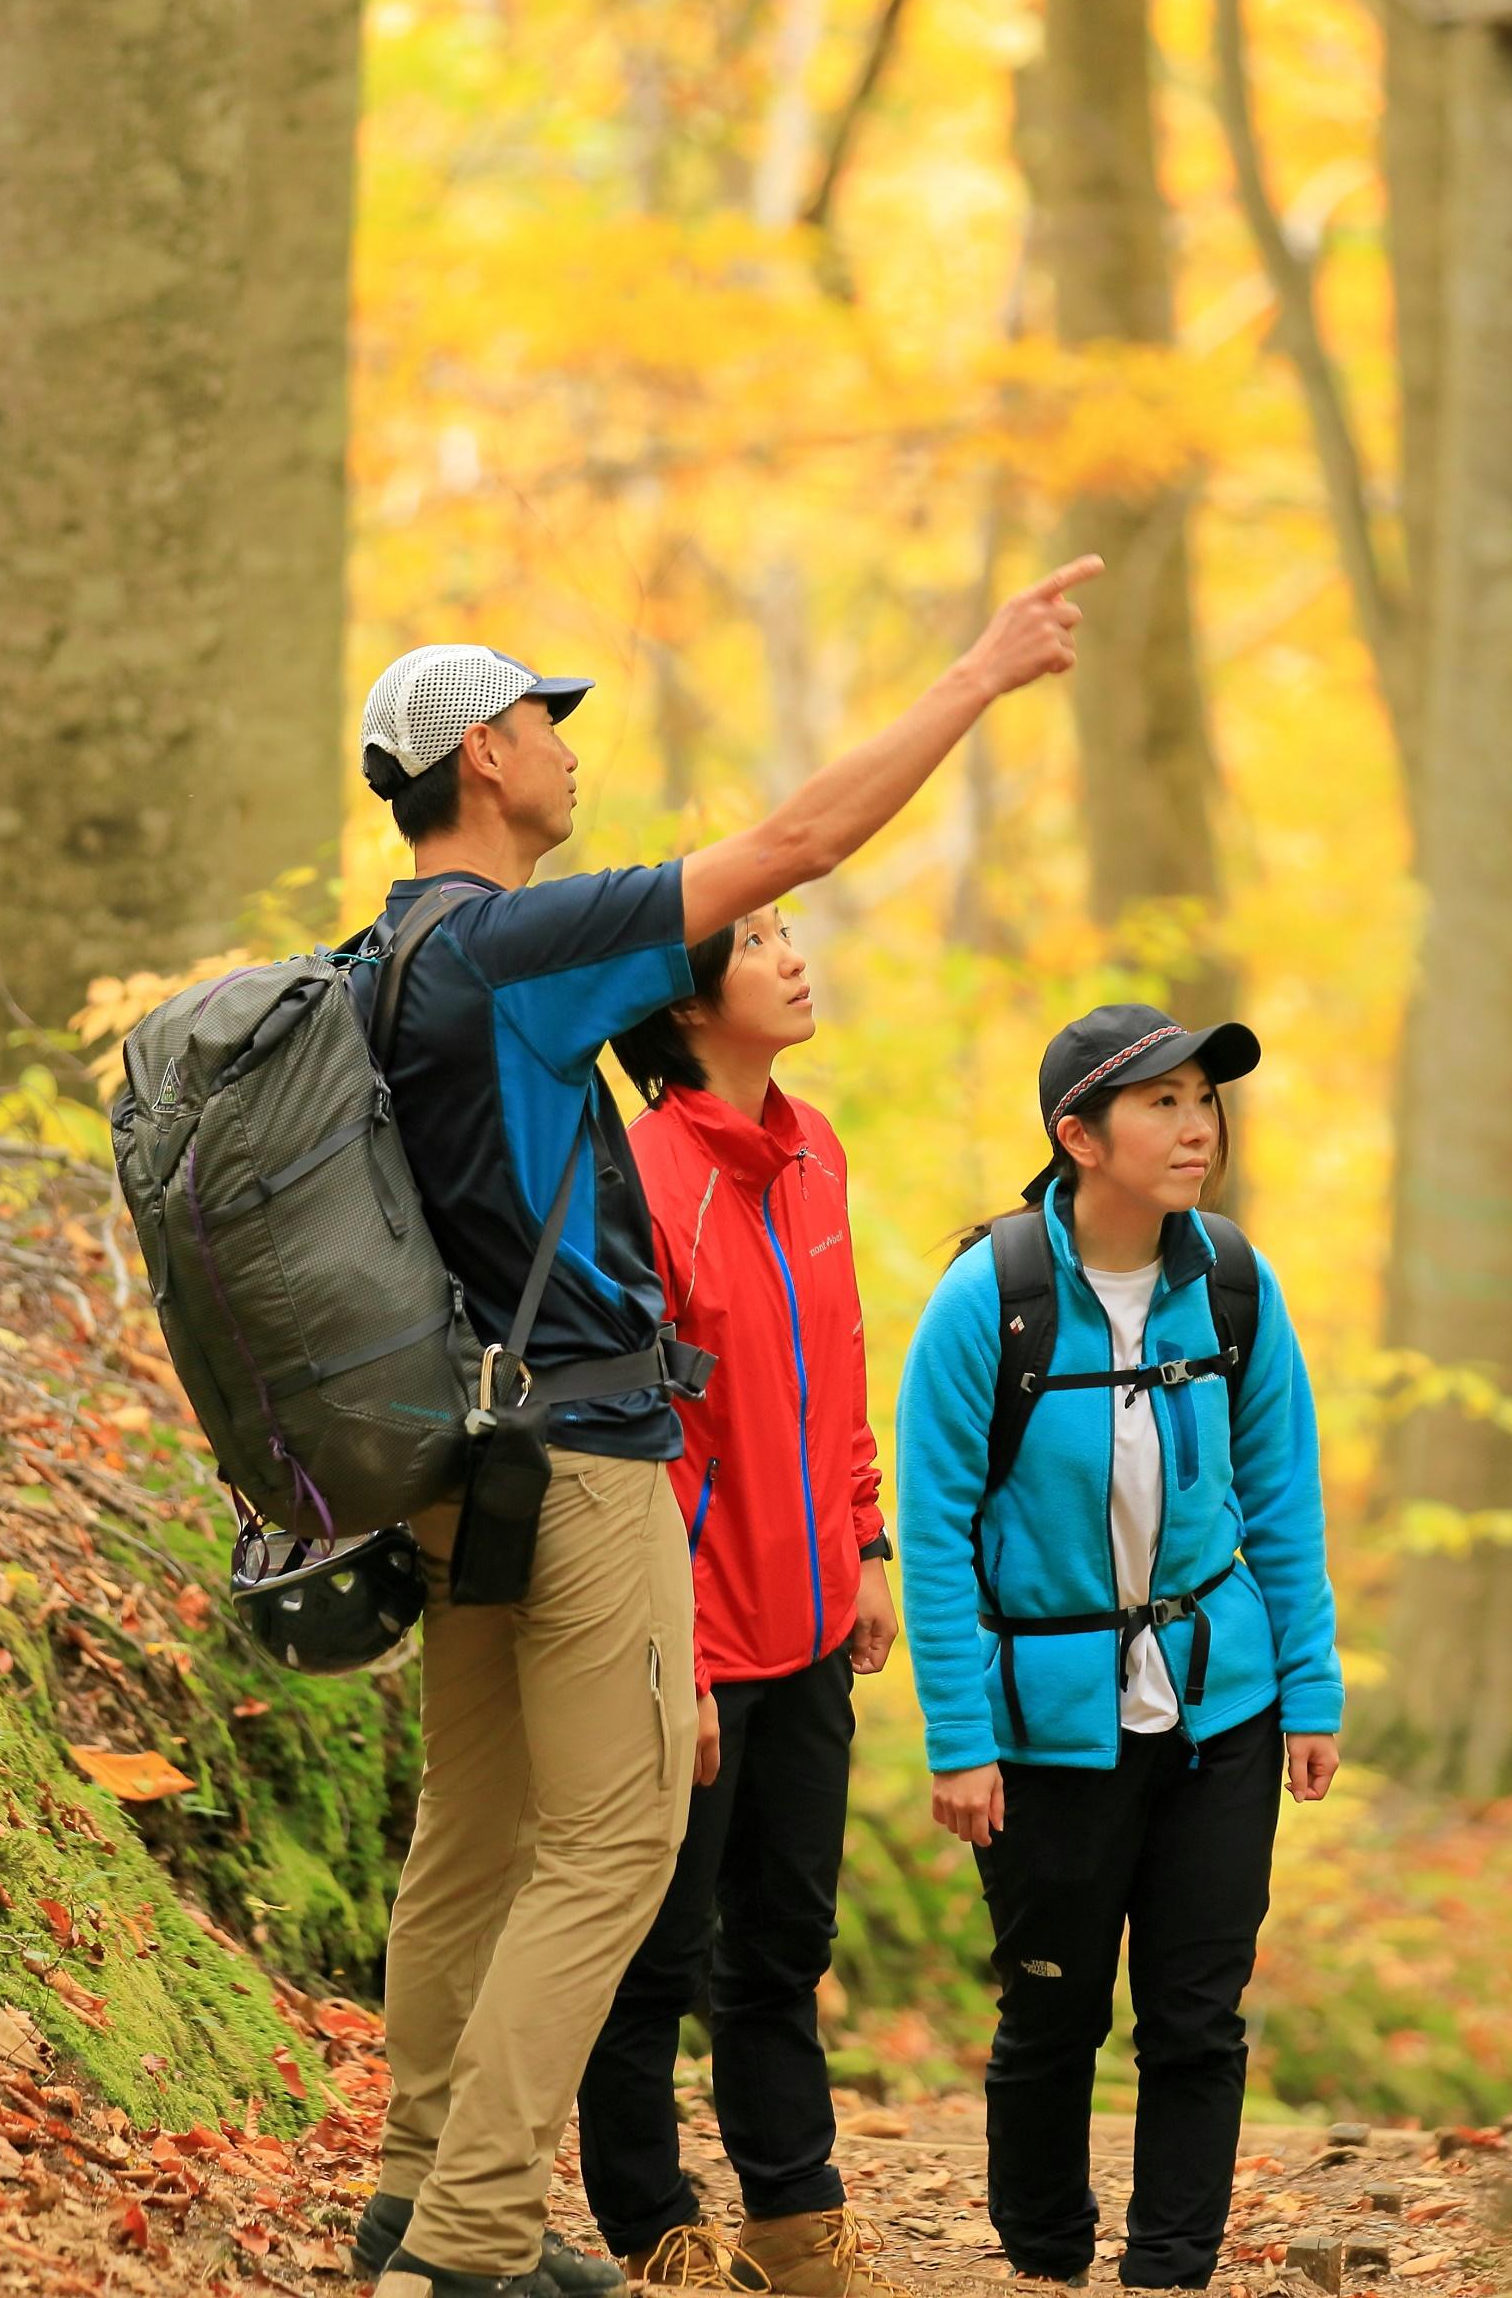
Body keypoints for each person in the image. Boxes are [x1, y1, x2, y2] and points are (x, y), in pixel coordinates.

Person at [349, 557, 1105, 2298]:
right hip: (589, 1460)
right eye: (544, 720)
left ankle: (410, 2187)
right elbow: (800, 843)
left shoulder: (388, 967)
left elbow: (712, 1001)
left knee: (470, 1836)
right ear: (482, 755)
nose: (566, 748)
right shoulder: (514, 945)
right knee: (615, 1852)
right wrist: (976, 675)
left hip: (457, 1461)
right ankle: (461, 2244)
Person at [891, 1005, 1344, 2292]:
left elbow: (1283, 1502)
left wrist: (1309, 1692)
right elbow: (932, 1539)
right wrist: (961, 1740)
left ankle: (1170, 2270)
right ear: (1077, 1136)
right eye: (1161, 1102)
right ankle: (1045, 2263)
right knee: (1053, 2012)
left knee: (1198, 2021)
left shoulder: (1237, 1285)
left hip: (1225, 1708)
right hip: (1048, 1722)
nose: (1197, 1123)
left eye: (1205, 1097)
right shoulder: (994, 1299)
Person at [570, 911, 898, 2297]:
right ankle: (653, 2226)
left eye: (784, 932)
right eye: (758, 941)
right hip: (693, 1634)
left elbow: (839, 1347)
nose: (793, 954)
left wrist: (868, 1541)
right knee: (658, 1950)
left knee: (785, 1941)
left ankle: (794, 2209)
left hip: (814, 1618)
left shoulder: (814, 1146)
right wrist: (683, 1658)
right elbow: (642, 1436)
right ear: (689, 1006)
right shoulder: (641, 1178)